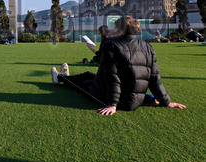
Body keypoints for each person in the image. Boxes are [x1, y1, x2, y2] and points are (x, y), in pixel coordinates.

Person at [51, 16, 186, 116]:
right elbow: (154, 78)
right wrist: (167, 102)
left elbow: (112, 77)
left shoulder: (112, 45)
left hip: (115, 99)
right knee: (88, 75)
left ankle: (61, 79)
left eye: (115, 27)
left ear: (120, 29)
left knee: (84, 85)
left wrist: (112, 104)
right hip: (134, 100)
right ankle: (61, 77)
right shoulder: (148, 47)